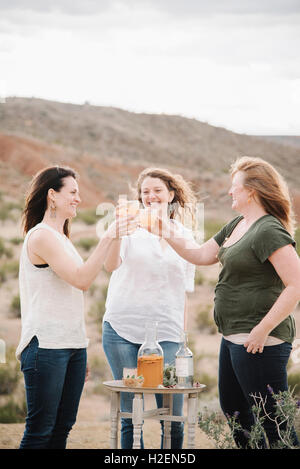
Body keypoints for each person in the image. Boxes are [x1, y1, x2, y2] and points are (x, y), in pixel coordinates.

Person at [147, 156, 300, 448]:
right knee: (237, 418)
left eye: (235, 187)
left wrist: (262, 329)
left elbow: (296, 285)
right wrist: (164, 230)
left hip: (259, 341)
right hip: (232, 338)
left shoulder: (268, 229)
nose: (230, 192)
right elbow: (202, 255)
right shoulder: (238, 224)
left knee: (273, 424)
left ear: (251, 191)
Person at [17, 165, 136, 449]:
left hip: (69, 348)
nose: (78, 199)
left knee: (61, 431)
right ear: (52, 196)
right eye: (72, 192)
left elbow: (71, 294)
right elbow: (82, 280)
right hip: (45, 347)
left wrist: (77, 347)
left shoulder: (61, 238)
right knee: (39, 433)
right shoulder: (42, 235)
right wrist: (108, 236)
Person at [102, 167, 197, 449]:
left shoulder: (186, 235)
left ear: (171, 194)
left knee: (174, 415)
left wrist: (183, 338)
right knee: (131, 415)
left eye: (157, 190)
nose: (151, 196)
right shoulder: (128, 229)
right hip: (122, 331)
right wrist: (116, 233)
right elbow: (110, 266)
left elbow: (184, 292)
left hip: (168, 334)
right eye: (145, 192)